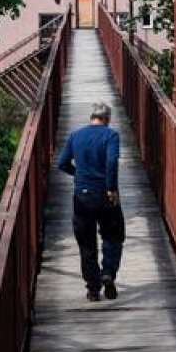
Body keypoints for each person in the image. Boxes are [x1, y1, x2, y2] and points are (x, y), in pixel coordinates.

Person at [57, 101, 125, 301]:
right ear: (107, 119)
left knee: (86, 243)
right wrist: (111, 188)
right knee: (113, 236)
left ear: (92, 117)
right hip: (105, 195)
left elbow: (62, 163)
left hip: (82, 197)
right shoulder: (111, 135)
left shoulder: (75, 135)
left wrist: (78, 174)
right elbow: (111, 161)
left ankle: (93, 290)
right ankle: (108, 273)